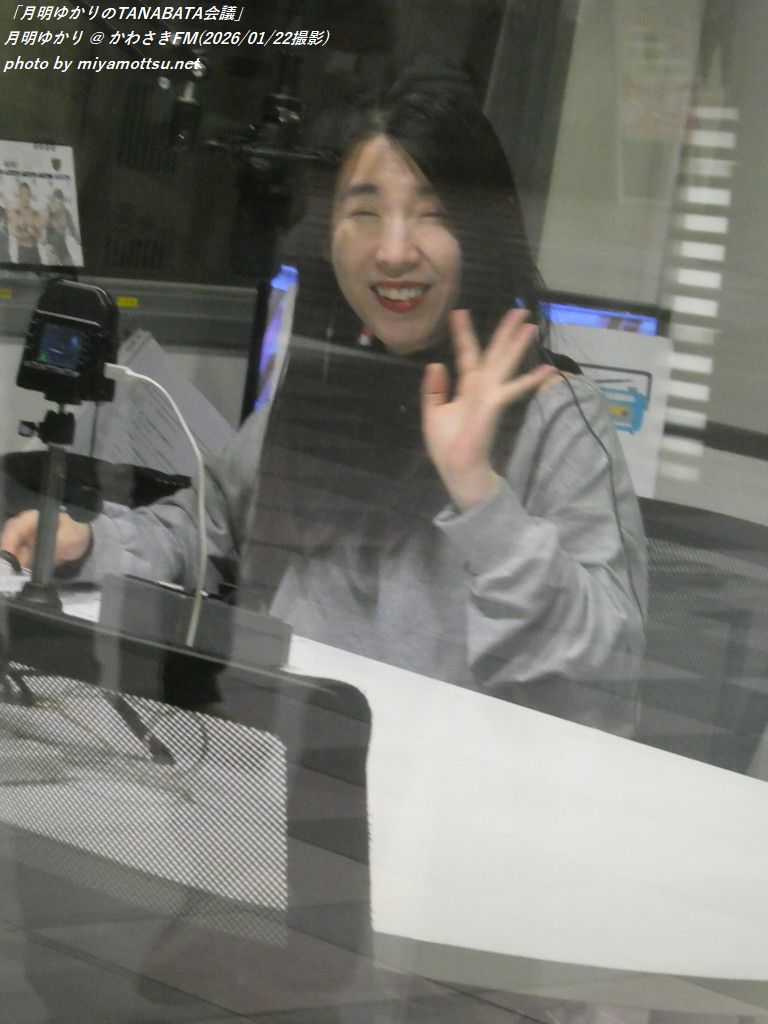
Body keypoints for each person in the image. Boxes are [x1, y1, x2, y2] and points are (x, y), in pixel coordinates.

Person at [0, 90, 647, 694]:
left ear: (483, 236)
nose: (393, 251)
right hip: (283, 739)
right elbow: (207, 527)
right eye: (364, 212)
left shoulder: (553, 414)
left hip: (446, 767)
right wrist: (90, 545)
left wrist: (481, 495)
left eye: (434, 214)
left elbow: (610, 663)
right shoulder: (329, 385)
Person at [44, 188, 80, 266]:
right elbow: (41, 231)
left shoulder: (66, 212)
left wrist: (79, 240)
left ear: (63, 201)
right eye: (55, 203)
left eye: (60, 203)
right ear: (52, 201)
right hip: (51, 246)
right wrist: (46, 245)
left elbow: (73, 231)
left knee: (70, 266)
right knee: (54, 264)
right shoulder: (48, 211)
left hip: (62, 245)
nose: (58, 206)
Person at [9, 182, 42, 265]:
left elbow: (39, 235)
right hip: (23, 253)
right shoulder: (15, 213)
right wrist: (29, 232)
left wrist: (30, 232)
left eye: (28, 194)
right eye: (23, 194)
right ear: (19, 196)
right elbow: (15, 233)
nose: (25, 197)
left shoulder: (35, 213)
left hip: (35, 252)